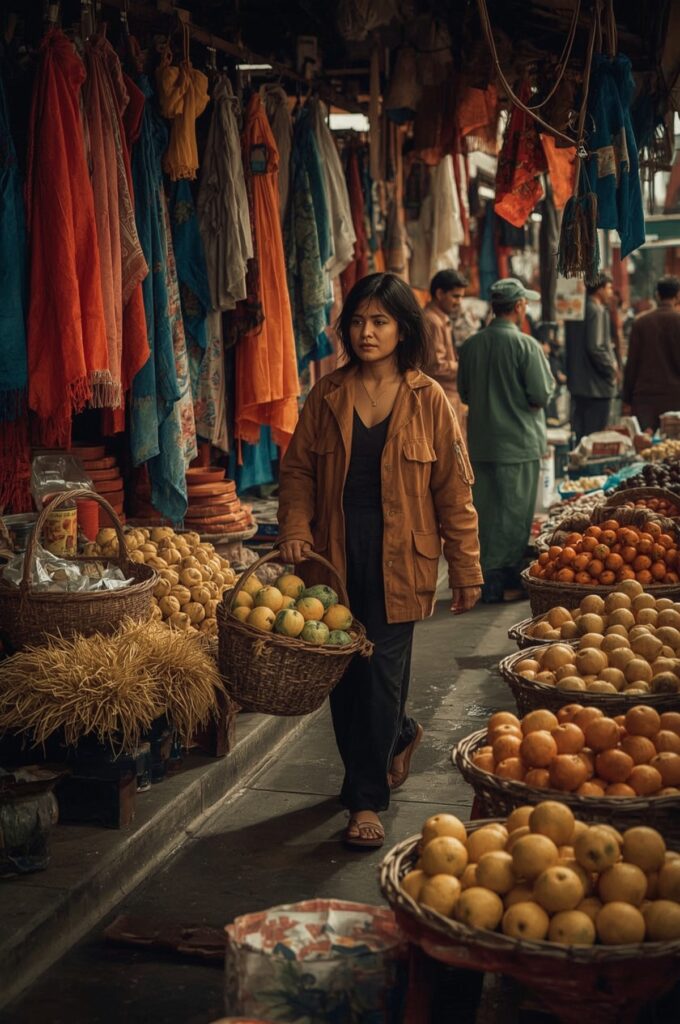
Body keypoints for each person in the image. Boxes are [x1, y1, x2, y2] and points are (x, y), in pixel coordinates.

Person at [278, 272, 483, 849]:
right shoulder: (328, 394)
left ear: (402, 329)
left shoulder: (428, 399)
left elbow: (454, 492)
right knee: (344, 676)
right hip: (333, 556)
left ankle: (364, 801)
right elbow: (296, 472)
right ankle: (400, 736)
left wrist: (466, 568)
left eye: (380, 321)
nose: (367, 332)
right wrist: (295, 527)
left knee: (381, 676)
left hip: (404, 557)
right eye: (358, 321)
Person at [458, 278, 554, 604]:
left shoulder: (471, 346)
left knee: (485, 514)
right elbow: (540, 394)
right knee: (514, 516)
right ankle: (498, 585)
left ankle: (482, 577)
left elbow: (466, 394)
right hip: (519, 443)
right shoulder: (527, 346)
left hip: (483, 443)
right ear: (518, 307)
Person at [622, 275, 680, 431]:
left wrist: (626, 399)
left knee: (646, 449)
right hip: (675, 397)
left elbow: (632, 364)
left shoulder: (640, 323)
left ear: (658, 295)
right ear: (677, 296)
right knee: (674, 449)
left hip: (645, 399)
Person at [564, 272, 618, 440]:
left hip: (579, 386)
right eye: (608, 288)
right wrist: (611, 367)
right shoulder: (596, 310)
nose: (610, 292)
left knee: (581, 437)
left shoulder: (577, 309)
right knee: (594, 438)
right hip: (596, 388)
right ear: (599, 289)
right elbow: (596, 347)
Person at [423, 269, 467, 426]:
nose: (459, 302)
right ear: (440, 294)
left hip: (448, 396)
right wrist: (465, 366)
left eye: (461, 297)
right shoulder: (432, 321)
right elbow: (436, 366)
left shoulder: (440, 319)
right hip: (441, 397)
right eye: (455, 296)